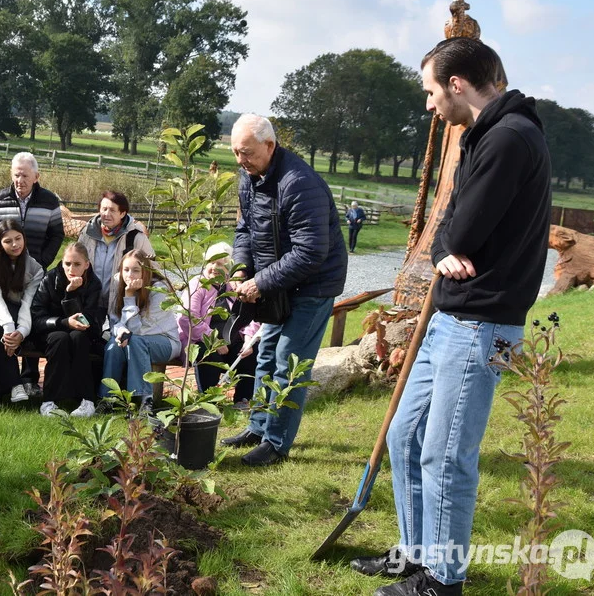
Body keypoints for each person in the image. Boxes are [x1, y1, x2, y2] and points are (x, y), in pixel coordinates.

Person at [352, 38, 551, 596]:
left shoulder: (509, 139)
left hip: (481, 323)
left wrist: (448, 240)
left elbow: (461, 232)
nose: (428, 104)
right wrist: (443, 245)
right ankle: (417, 556)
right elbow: (446, 226)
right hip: (450, 316)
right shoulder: (485, 136)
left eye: (431, 91)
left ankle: (443, 579)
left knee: (446, 455)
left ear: (457, 85)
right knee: (405, 436)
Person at [220, 113, 347, 467]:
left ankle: (276, 444)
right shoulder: (250, 177)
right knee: (265, 354)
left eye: (246, 152)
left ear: (270, 145)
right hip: (276, 282)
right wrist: (242, 267)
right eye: (235, 153)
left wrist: (260, 282)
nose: (240, 161)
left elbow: (310, 252)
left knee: (289, 362)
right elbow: (244, 229)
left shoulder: (299, 183)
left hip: (313, 284)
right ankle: (259, 428)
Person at [177, 243, 258, 408]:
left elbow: (252, 316)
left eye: (220, 264)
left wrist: (248, 340)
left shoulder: (234, 286)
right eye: (211, 262)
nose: (214, 267)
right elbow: (186, 318)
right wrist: (213, 341)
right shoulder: (197, 285)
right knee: (207, 355)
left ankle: (242, 399)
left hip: (231, 339)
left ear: (229, 268)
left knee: (250, 354)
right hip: (203, 340)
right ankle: (207, 401)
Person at [30, 242, 104, 417]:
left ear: (87, 264)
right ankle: (49, 401)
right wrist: (64, 322)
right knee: (60, 338)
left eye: (77, 264)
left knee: (78, 338)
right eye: (67, 264)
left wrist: (71, 294)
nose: (71, 269)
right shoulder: (49, 279)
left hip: (83, 333)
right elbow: (37, 317)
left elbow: (91, 323)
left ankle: (87, 400)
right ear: (62, 262)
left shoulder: (94, 284)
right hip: (50, 332)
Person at [99, 250, 180, 408]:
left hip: (165, 341)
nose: (130, 275)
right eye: (126, 270)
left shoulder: (159, 289)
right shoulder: (117, 282)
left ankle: (144, 400)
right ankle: (107, 400)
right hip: (134, 338)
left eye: (136, 270)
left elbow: (139, 331)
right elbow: (114, 320)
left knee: (135, 341)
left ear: (146, 271)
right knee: (113, 345)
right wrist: (120, 331)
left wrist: (129, 296)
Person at [0, 220, 44, 402]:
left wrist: (20, 332)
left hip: (23, 316)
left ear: (24, 238)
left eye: (18, 238)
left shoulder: (34, 268)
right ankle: (15, 384)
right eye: (8, 241)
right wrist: (8, 329)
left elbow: (29, 303)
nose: (15, 245)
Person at [78, 191, 155, 313]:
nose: (106, 214)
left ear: (122, 213)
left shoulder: (135, 236)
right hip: (90, 299)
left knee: (119, 331)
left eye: (112, 210)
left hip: (121, 298)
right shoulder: (87, 233)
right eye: (104, 209)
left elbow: (153, 267)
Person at [0, 153, 64, 268]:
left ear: (36, 177)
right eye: (16, 175)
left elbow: (57, 235)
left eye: (25, 176)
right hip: (3, 268)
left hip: (36, 269)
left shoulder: (50, 201)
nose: (20, 180)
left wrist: (43, 261)